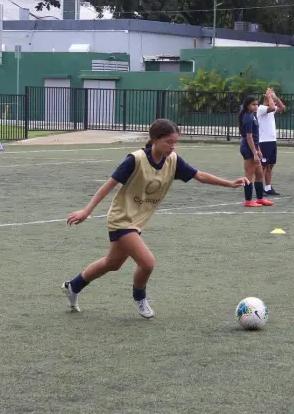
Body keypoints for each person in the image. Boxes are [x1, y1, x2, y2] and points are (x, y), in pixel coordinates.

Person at [62, 119, 249, 317]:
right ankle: (139, 297)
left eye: (175, 142)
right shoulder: (135, 159)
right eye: (169, 142)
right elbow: (108, 185)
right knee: (148, 262)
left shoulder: (173, 161)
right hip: (122, 219)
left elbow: (199, 176)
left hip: (136, 222)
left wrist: (230, 184)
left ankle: (73, 286)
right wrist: (86, 211)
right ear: (154, 140)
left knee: (112, 263)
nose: (173, 146)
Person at [239, 95, 275, 207]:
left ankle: (260, 198)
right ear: (247, 105)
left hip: (254, 147)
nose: (256, 106)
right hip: (248, 149)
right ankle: (248, 201)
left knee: (259, 174)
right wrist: (254, 153)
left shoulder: (252, 116)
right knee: (249, 175)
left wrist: (258, 149)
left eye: (256, 104)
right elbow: (249, 137)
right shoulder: (248, 117)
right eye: (253, 104)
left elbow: (255, 137)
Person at [257, 87, 286, 196]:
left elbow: (282, 107)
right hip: (264, 142)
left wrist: (276, 97)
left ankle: (268, 188)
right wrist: (269, 96)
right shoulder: (261, 109)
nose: (273, 101)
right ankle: (258, 187)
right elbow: (273, 107)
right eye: (271, 99)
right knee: (262, 166)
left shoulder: (271, 110)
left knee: (270, 166)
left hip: (272, 141)